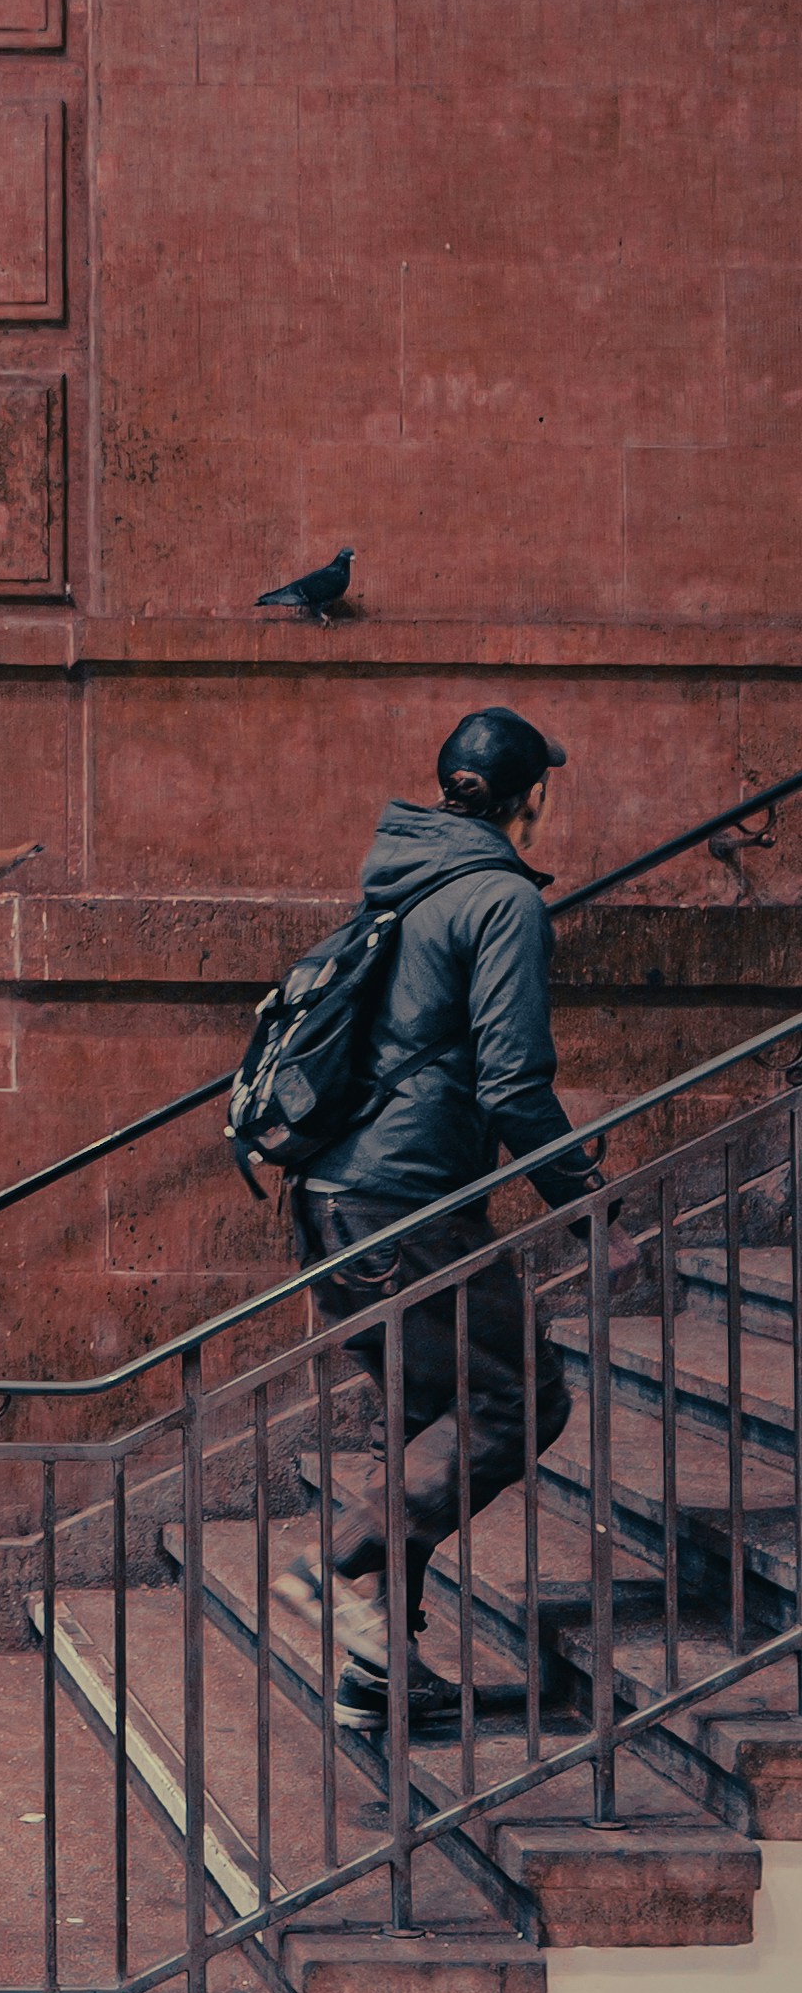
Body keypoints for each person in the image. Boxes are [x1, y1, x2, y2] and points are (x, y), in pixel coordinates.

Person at [274, 707, 635, 1733]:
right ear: (533, 796)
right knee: (522, 1398)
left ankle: (378, 1667)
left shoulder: (404, 880)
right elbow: (518, 1086)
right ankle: (339, 1560)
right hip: (404, 1203)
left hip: (335, 1199)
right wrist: (592, 1212)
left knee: (434, 1412)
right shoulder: (499, 902)